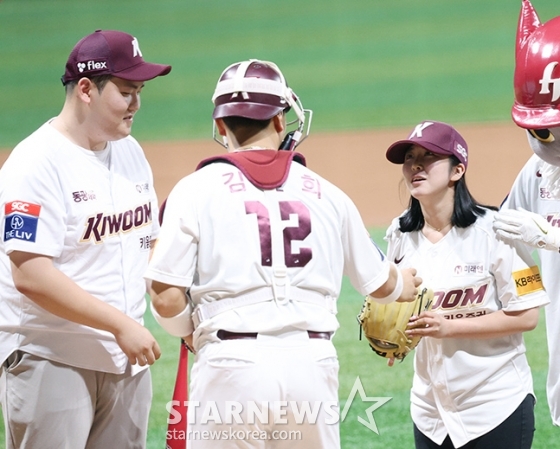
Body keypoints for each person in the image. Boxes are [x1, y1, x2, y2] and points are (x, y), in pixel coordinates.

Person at [144, 59, 422, 448]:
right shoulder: (328, 193)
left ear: (221, 126)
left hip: (231, 367)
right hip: (311, 366)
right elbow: (379, 283)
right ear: (281, 121)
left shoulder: (193, 190)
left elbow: (165, 294)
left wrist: (186, 331)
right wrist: (404, 285)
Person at [0, 30, 171, 448]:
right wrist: (120, 325)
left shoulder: (129, 152)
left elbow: (147, 243)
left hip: (127, 361)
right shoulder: (34, 164)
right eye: (127, 91)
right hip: (53, 358)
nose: (137, 104)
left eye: (140, 91)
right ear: (86, 90)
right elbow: (31, 275)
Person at [384, 120, 549, 449]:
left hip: (495, 406)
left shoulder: (497, 231)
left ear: (457, 170)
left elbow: (527, 315)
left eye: (429, 156)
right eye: (409, 157)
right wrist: (394, 335)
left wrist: (448, 327)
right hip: (431, 412)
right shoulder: (399, 234)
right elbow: (398, 304)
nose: (415, 165)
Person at [491, 0, 560, 428]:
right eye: (541, 130)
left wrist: (554, 239)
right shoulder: (539, 172)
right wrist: (528, 289)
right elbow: (505, 238)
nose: (550, 138)